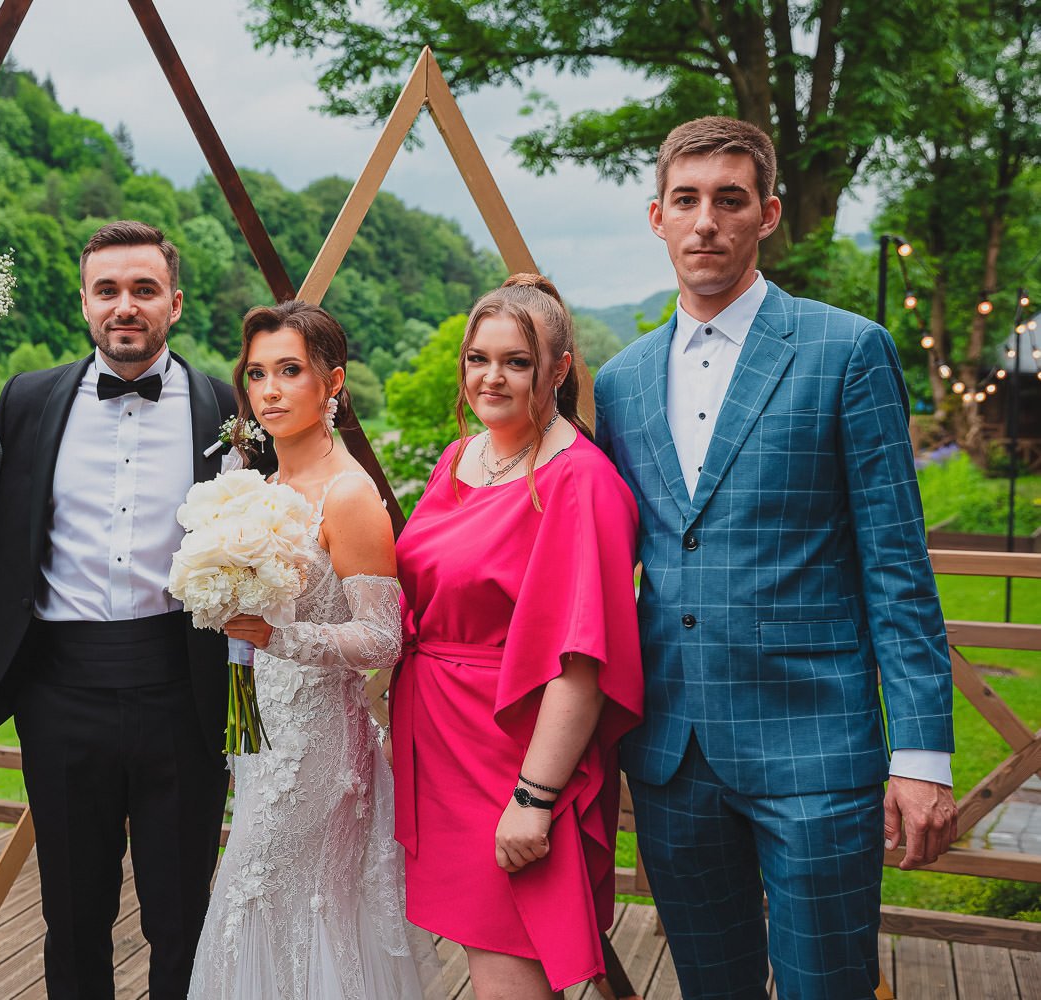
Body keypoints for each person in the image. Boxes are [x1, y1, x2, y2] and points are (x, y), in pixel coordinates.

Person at [592, 116, 958, 999]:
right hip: (673, 756)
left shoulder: (848, 350)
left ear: (768, 214)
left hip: (815, 749)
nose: (706, 221)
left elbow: (898, 567)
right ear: (657, 216)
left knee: (827, 985)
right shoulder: (620, 381)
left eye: (730, 199)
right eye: (686, 200)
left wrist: (922, 755)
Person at [0, 221, 257, 1000]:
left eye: (143, 289)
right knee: (72, 914)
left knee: (182, 914)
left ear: (175, 302)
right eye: (107, 290)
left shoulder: (228, 408)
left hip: (185, 689)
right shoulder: (28, 399)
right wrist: (20, 619)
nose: (124, 306)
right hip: (59, 691)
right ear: (84, 302)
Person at [392, 274, 644, 998]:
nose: (491, 378)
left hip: (515, 750)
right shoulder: (457, 458)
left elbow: (583, 663)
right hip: (441, 745)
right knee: (482, 956)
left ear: (559, 370)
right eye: (478, 358)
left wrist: (534, 797)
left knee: (510, 967)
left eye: (516, 362)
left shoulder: (581, 481)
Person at [187, 301, 432, 999]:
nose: (268, 390)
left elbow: (383, 637)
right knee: (259, 897)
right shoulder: (262, 490)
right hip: (261, 735)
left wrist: (280, 637)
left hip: (322, 742)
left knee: (272, 894)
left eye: (290, 371)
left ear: (334, 383)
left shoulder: (349, 495)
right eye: (256, 373)